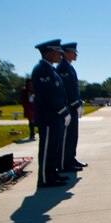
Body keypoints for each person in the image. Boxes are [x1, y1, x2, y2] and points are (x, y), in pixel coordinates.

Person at [32, 39, 70, 188]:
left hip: (55, 116)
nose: (60, 54)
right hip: (48, 116)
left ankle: (52, 173)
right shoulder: (41, 69)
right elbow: (49, 95)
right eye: (57, 51)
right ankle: (44, 178)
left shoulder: (51, 70)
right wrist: (63, 111)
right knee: (47, 148)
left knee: (54, 146)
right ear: (48, 52)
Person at [56, 42, 87, 172]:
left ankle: (70, 158)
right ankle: (64, 162)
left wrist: (79, 103)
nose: (75, 54)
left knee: (73, 135)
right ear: (65, 52)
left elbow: (75, 89)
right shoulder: (63, 68)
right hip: (68, 107)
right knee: (67, 136)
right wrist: (75, 104)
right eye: (73, 52)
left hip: (73, 107)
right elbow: (68, 90)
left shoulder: (69, 67)